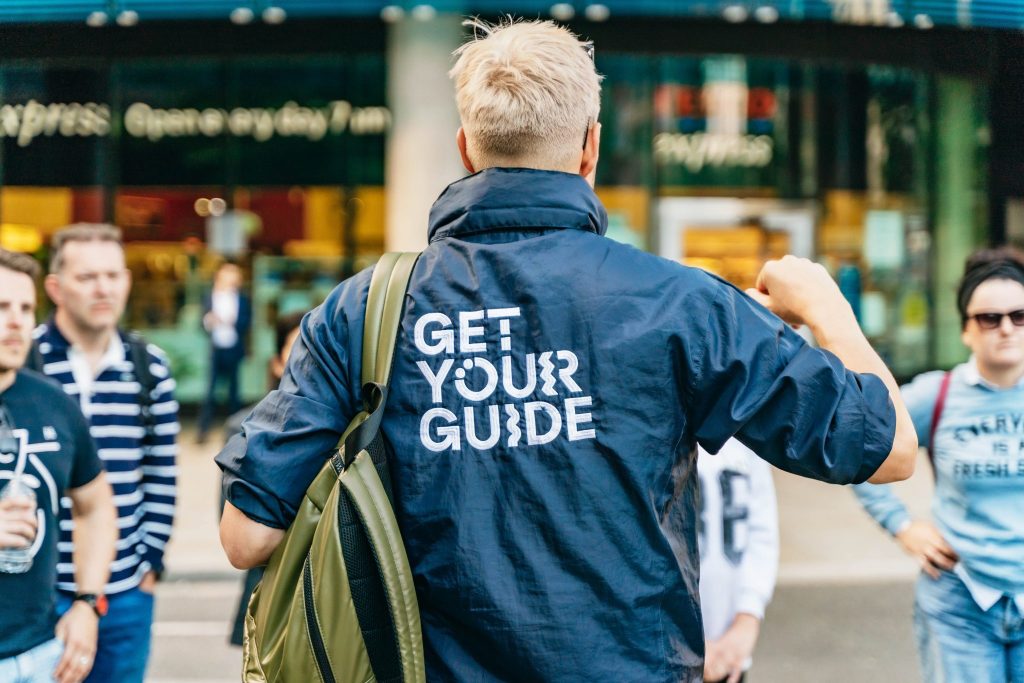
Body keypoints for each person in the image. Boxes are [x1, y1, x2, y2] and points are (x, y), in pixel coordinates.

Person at [217, 19, 917, 681]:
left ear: (466, 147)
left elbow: (247, 536)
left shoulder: (363, 310)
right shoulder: (679, 303)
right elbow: (887, 449)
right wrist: (826, 308)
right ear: (590, 148)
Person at [853, 246, 1024, 683]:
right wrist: (902, 525)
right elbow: (859, 449)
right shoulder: (936, 395)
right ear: (966, 330)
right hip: (961, 598)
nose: (1006, 328)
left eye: (1019, 316)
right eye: (990, 318)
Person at [34, 225, 180, 683]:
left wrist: (148, 564)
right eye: (88, 277)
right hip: (39, 592)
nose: (104, 288)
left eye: (113, 275)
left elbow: (160, 475)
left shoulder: (149, 367)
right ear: (55, 288)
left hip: (125, 595)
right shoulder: (26, 363)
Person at [0, 249, 117, 683]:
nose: (16, 321)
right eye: (2, 307)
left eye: (25, 308)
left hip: (39, 656)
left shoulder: (53, 403)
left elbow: (96, 507)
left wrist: (88, 603)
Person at [221, 312, 303, 647]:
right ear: (276, 363)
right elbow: (235, 525)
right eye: (297, 350)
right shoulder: (245, 429)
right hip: (270, 593)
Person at [698, 440, 778, 683]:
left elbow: (761, 530)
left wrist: (748, 617)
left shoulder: (746, 438)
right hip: (660, 650)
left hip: (729, 647)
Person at [197, 261, 251, 443]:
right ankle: (203, 431)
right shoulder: (209, 296)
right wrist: (209, 320)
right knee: (209, 392)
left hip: (234, 348)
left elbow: (246, 322)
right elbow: (202, 322)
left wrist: (231, 321)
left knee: (234, 393)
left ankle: (237, 431)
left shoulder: (242, 298)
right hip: (216, 349)